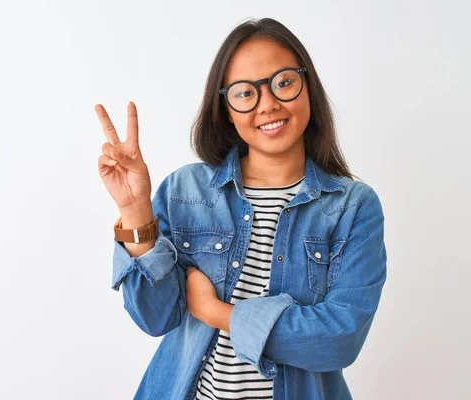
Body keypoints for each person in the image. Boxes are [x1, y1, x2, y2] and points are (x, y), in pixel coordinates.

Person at [95, 17, 387, 400]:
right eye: (245, 93)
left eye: (284, 82)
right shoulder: (187, 191)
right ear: (226, 109)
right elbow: (156, 317)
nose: (267, 104)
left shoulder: (352, 206)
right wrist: (135, 213)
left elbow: (339, 340)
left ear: (308, 88)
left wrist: (217, 313)